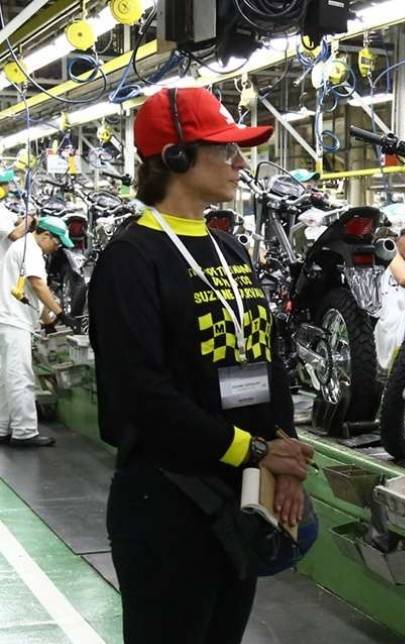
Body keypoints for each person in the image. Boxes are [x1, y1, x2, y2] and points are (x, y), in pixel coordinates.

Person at [88, 87, 314, 643]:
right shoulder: (131, 260)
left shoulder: (229, 250)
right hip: (167, 501)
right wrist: (254, 451)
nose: (240, 163)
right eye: (225, 149)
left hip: (241, 494)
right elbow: (142, 393)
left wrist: (282, 454)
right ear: (176, 156)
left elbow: (265, 358)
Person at [0, 217, 73, 447]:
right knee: (20, 377)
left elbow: (31, 294)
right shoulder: (30, 250)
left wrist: (48, 322)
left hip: (8, 320)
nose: (56, 248)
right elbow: (38, 285)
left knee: (6, 378)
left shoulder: (24, 247)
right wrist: (61, 313)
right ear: (45, 235)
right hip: (15, 322)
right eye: (57, 243)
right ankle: (24, 432)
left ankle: (2, 427)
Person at [375, 218, 405, 371]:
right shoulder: (399, 261)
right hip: (385, 355)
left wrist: (389, 250)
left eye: (395, 239)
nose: (393, 245)